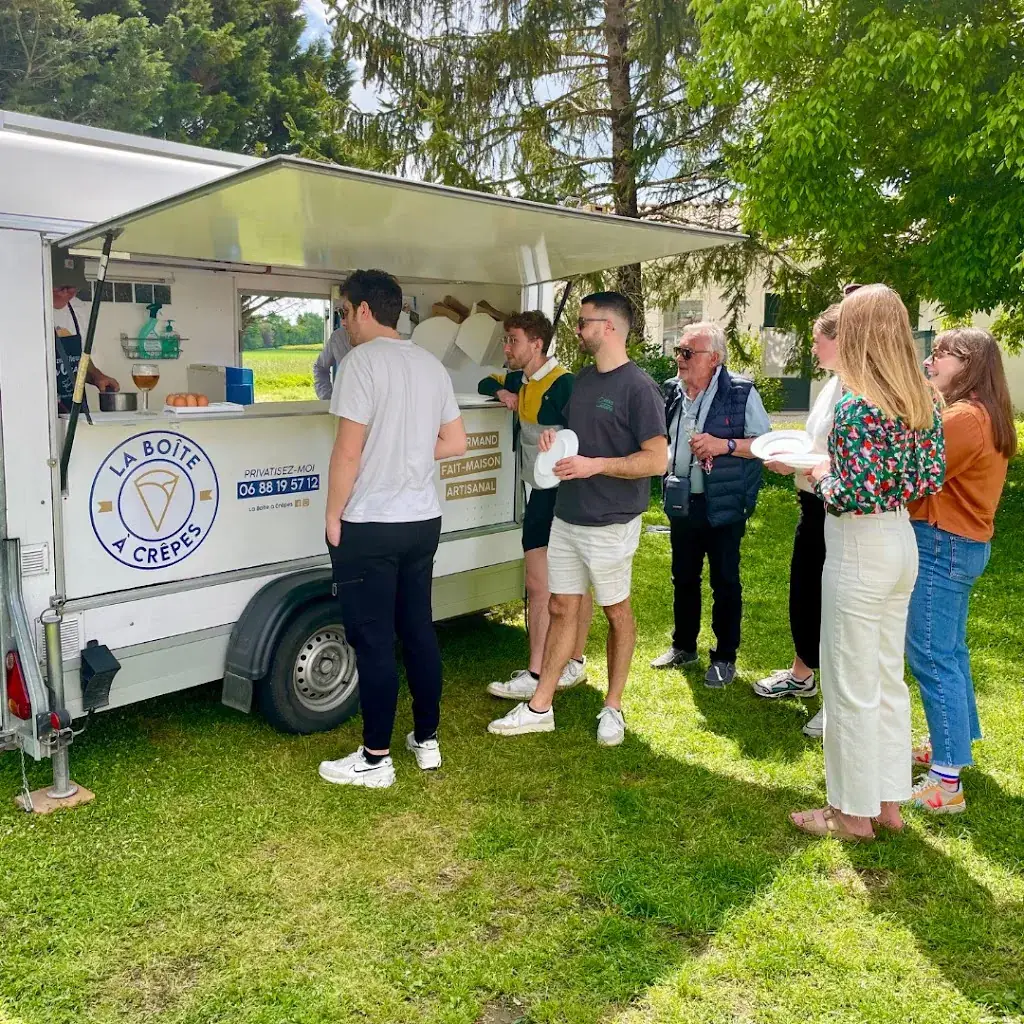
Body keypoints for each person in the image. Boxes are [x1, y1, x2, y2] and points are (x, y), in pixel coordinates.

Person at [791, 284, 944, 842]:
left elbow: (848, 492)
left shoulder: (857, 404)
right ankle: (886, 802)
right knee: (884, 677)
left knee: (850, 682)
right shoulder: (922, 398)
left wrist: (815, 472)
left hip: (857, 544)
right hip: (901, 538)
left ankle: (851, 814)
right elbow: (929, 479)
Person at [487, 292, 668, 746]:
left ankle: (614, 707)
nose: (577, 329)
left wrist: (597, 465)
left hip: (611, 520)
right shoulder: (583, 382)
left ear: (608, 327)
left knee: (616, 612)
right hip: (567, 516)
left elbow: (657, 461)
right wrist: (554, 440)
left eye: (584, 322)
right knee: (561, 606)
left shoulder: (639, 387)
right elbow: (573, 438)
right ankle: (539, 706)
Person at [318, 269, 467, 789]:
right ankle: (426, 740)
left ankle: (375, 758)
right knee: (418, 630)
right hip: (422, 522)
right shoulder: (429, 365)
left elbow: (347, 452)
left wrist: (333, 516)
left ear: (363, 310)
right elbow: (455, 443)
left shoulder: (360, 363)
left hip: (371, 524)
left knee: (375, 641)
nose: (344, 323)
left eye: (343, 312)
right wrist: (406, 451)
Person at [904, 328, 1015, 814]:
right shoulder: (983, 413)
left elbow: (919, 470)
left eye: (941, 355)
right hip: (963, 542)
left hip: (943, 542)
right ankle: (955, 743)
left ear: (968, 361)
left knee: (931, 654)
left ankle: (946, 783)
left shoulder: (966, 417)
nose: (932, 361)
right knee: (950, 647)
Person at [649, 321, 770, 687]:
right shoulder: (672, 391)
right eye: (678, 352)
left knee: (725, 580)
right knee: (683, 576)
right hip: (682, 500)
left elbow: (766, 444)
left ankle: (724, 657)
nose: (680, 360)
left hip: (724, 501)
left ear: (714, 358)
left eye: (688, 353)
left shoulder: (740, 392)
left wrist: (724, 445)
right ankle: (684, 646)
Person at [478, 312, 592, 698]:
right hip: (539, 493)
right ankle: (547, 666)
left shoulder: (565, 385)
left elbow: (589, 438)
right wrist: (502, 393)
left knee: (562, 583)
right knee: (540, 583)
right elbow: (483, 381)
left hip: (568, 495)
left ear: (537, 344)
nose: (506, 348)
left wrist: (559, 443)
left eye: (512, 340)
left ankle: (564, 664)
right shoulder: (519, 379)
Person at [752, 305, 843, 736]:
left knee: (833, 605)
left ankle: (837, 702)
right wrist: (793, 459)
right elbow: (817, 442)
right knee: (805, 594)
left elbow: (850, 461)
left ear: (840, 339)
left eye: (817, 337)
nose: (811, 345)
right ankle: (802, 674)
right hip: (812, 505)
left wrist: (801, 463)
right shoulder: (832, 383)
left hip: (837, 509)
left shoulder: (862, 389)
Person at [51, 249, 119, 412]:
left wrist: (97, 376)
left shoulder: (79, 309)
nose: (66, 292)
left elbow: (81, 360)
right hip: (37, 410)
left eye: (72, 287)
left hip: (74, 409)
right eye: (61, 286)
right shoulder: (21, 312)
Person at [312, 312, 352, 400]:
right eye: (341, 313)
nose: (342, 321)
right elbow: (320, 367)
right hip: (345, 406)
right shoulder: (338, 337)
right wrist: (327, 399)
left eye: (347, 312)